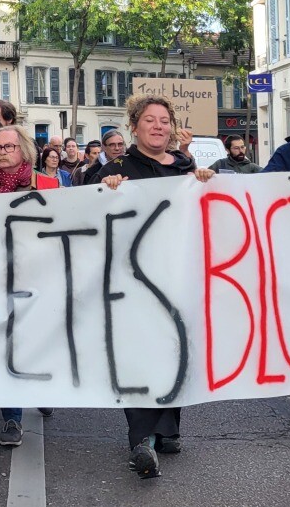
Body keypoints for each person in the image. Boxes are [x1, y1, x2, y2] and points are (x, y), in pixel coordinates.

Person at [95, 94, 216, 479]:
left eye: (165, 120)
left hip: (177, 275)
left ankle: (168, 427)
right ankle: (142, 439)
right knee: (139, 353)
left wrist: (206, 184)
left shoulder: (185, 167)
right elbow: (90, 213)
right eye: (150, 120)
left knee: (175, 349)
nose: (159, 126)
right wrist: (107, 189)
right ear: (134, 126)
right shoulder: (119, 168)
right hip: (132, 280)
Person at [0, 124, 60, 446]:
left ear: (25, 150)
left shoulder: (49, 184)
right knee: (5, 345)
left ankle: (40, 387)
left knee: (36, 339)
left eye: (8, 147)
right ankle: (12, 417)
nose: (2, 153)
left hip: (39, 277)